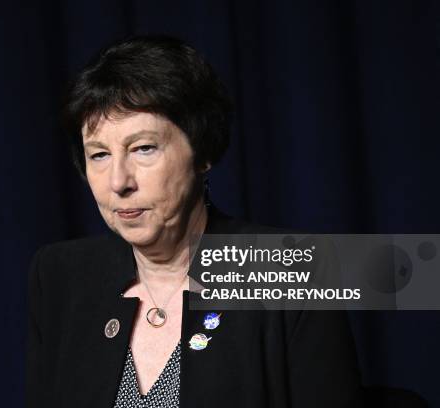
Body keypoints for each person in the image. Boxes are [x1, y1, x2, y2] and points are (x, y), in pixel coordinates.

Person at [27, 35, 364, 407]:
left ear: (202, 153)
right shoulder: (60, 274)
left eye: (143, 148)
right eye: (99, 155)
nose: (119, 182)